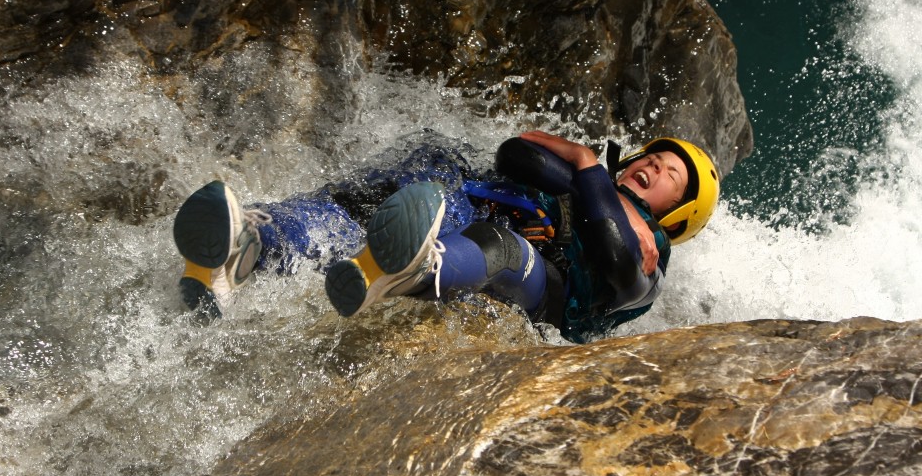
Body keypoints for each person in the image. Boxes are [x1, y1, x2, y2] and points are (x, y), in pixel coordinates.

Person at [171, 131, 719, 343]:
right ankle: (261, 243)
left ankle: (415, 266)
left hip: (538, 294)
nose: (653, 165)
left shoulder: (652, 255)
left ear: (678, 214)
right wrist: (584, 170)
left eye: (671, 174)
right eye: (654, 156)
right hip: (471, 231)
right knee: (430, 163)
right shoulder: (581, 187)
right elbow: (516, 151)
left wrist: (584, 163)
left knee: (502, 248)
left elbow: (615, 256)